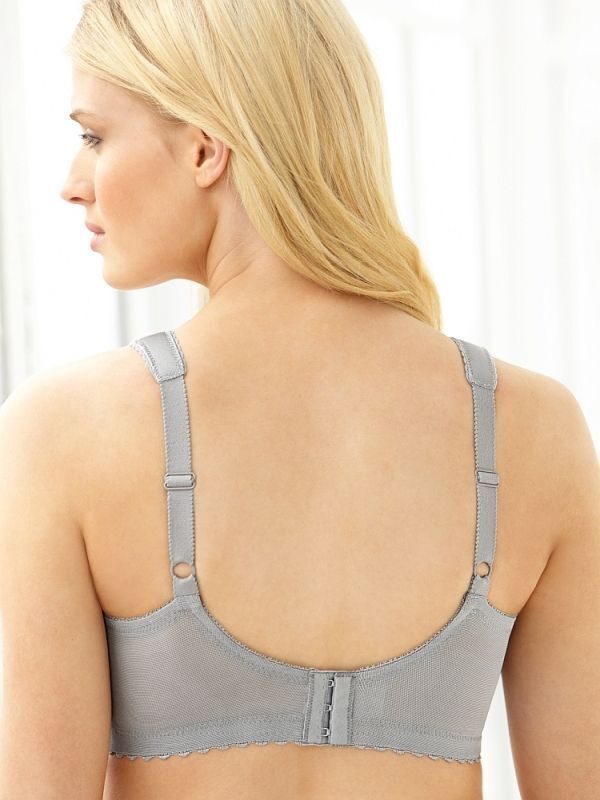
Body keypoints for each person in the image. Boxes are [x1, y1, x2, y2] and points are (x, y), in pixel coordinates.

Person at [0, 1, 598, 798]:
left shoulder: (67, 432)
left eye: (95, 137)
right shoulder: (535, 429)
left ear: (205, 150)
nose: (73, 185)